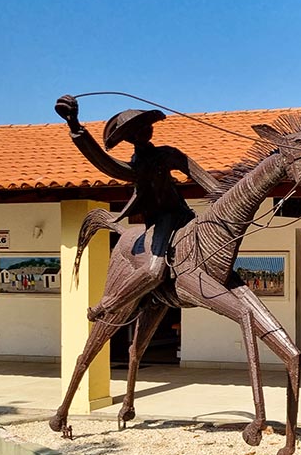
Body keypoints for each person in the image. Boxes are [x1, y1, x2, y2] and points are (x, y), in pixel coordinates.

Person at [55, 95, 217, 321]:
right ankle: (107, 304)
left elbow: (208, 182)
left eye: (146, 125)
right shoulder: (136, 167)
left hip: (185, 215)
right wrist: (75, 127)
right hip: (161, 221)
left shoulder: (168, 153)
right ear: (129, 137)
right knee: (154, 270)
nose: (144, 130)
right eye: (137, 129)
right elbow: (104, 162)